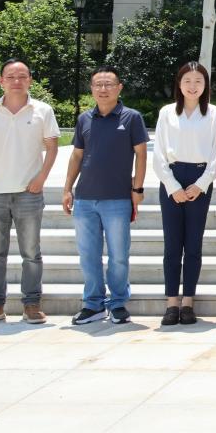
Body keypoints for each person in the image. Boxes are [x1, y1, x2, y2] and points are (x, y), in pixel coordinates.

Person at [0, 59, 60, 327]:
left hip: (28, 192)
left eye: (22, 76)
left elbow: (52, 147)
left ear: (30, 80)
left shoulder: (43, 110)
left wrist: (41, 178)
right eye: (10, 76)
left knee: (31, 253)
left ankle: (31, 304)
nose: (16, 81)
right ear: (1, 81)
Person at [62, 66, 149, 325]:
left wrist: (137, 189)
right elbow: (77, 155)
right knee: (88, 256)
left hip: (118, 199)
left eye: (109, 84)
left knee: (118, 256)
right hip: (85, 199)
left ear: (119, 87)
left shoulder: (131, 118)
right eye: (98, 84)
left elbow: (141, 155)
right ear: (91, 89)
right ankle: (93, 304)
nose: (103, 89)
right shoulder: (84, 119)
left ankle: (118, 303)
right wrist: (67, 189)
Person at [151, 62, 216, 327]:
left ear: (205, 85)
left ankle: (188, 303)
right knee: (172, 246)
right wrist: (172, 186)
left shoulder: (213, 113)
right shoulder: (167, 112)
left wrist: (201, 184)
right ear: (179, 84)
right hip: (172, 180)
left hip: (199, 182)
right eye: (187, 81)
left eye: (198, 81)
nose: (193, 86)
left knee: (193, 245)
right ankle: (172, 303)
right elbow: (158, 153)